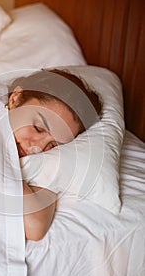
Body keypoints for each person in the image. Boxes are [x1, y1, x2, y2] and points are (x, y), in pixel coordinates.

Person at [6, 69, 102, 241]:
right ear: (15, 99)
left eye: (53, 145)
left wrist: (6, 163)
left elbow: (35, 227)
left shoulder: (50, 163)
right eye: (38, 127)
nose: (37, 147)